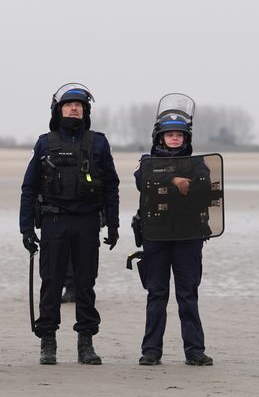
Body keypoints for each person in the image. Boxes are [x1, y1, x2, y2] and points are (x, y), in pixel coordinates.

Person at [19, 82, 120, 365]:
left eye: (79, 105)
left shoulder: (99, 142)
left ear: (85, 111)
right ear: (59, 110)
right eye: (68, 104)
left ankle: (85, 343)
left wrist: (113, 224)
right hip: (54, 221)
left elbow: (111, 185)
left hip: (88, 222)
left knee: (85, 284)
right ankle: (48, 342)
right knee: (50, 283)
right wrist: (26, 228)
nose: (74, 108)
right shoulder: (45, 142)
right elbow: (29, 187)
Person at [134, 93, 214, 367]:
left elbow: (206, 189)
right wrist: (173, 178)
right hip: (156, 236)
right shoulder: (146, 162)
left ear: (186, 138)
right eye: (170, 135)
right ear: (160, 137)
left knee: (187, 296)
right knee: (157, 295)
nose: (175, 138)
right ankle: (151, 351)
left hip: (189, 237)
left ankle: (194, 351)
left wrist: (188, 181)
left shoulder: (198, 164)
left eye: (180, 134)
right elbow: (143, 179)